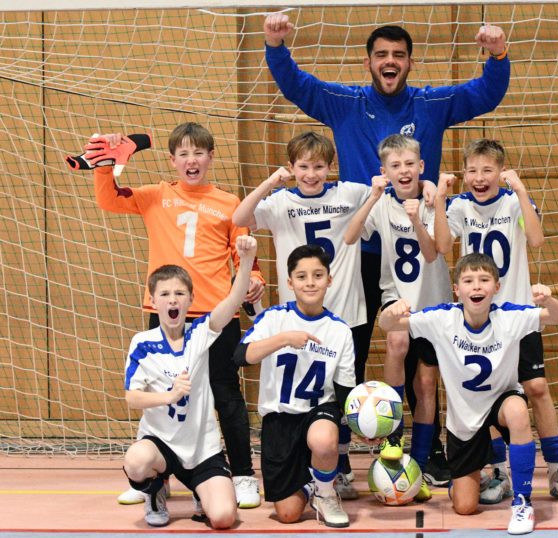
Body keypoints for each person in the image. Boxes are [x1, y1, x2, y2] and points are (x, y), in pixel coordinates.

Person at [264, 13, 511, 480]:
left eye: (398, 55)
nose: (390, 61)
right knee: (347, 349)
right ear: (368, 62)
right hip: (360, 251)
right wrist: (276, 46)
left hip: (417, 243)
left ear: (410, 63)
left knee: (425, 360)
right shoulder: (344, 102)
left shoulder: (431, 103)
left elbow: (484, 93)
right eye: (382, 55)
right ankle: (332, 457)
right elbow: (297, 85)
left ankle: (426, 449)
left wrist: (497, 55)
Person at [91, 122, 264, 508]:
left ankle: (242, 475)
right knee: (160, 394)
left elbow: (243, 253)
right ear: (172, 161)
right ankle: (155, 478)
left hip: (216, 315)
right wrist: (105, 165)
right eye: (183, 153)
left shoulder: (229, 202)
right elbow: (109, 201)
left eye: (198, 152)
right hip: (166, 312)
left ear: (211, 157)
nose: (191, 160)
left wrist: (253, 277)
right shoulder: (156, 195)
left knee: (226, 394)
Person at [434, 138, 558, 505]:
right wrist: (438, 200)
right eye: (472, 170)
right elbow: (440, 245)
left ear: (501, 171)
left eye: (487, 170)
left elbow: (536, 239)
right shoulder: (461, 205)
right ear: (463, 173)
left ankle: (557, 470)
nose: (479, 177)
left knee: (538, 389)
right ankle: (499, 471)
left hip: (516, 314)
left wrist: (523, 190)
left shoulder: (515, 200)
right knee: (488, 394)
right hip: (480, 316)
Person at [379, 253, 558, 535]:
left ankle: (522, 502)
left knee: (517, 409)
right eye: (468, 281)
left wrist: (548, 299)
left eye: (484, 280)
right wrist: (391, 312)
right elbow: (387, 326)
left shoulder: (509, 317)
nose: (476, 287)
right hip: (464, 423)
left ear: (497, 286)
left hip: (500, 406)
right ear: (457, 289)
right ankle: (468, 478)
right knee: (465, 506)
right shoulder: (442, 318)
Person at [231, 131, 367, 499]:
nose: (311, 174)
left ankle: (340, 467)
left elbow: (384, 191)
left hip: (346, 312)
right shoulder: (280, 200)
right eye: (303, 166)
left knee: (340, 394)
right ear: (291, 167)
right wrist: (271, 182)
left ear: (330, 167)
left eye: (319, 167)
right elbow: (239, 217)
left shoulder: (349, 193)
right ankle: (312, 471)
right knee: (303, 388)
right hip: (299, 314)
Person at [122, 234, 258, 529]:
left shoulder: (200, 334)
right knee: (135, 461)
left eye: (180, 294)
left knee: (223, 518)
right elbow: (132, 397)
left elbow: (233, 300)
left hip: (201, 450)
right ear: (153, 300)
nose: (173, 299)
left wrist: (246, 261)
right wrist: (167, 397)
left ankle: (201, 489)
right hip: (161, 447)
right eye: (166, 294)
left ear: (190, 300)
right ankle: (155, 489)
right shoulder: (143, 343)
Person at [343, 134, 451, 501]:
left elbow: (435, 254)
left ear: (421, 167)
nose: (403, 171)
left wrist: (420, 216)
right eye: (395, 166)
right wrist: (373, 196)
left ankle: (420, 458)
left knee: (425, 384)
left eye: (409, 164)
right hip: (397, 296)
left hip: (434, 302)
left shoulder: (436, 201)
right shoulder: (382, 203)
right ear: (385, 171)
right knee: (396, 340)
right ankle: (392, 440)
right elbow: (350, 236)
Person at [232, 244, 357, 529]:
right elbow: (241, 357)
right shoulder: (274, 318)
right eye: (301, 277)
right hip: (280, 421)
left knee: (325, 439)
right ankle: (313, 484)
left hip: (317, 413)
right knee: (287, 515)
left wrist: (357, 428)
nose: (310, 282)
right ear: (290, 282)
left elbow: (345, 393)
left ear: (329, 279)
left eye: (317, 275)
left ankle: (326, 494)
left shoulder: (340, 331)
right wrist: (284, 338)